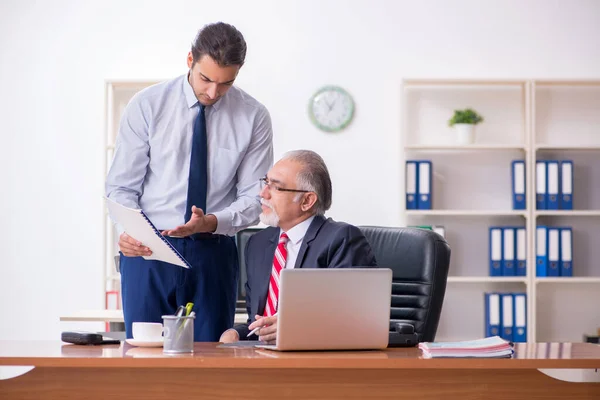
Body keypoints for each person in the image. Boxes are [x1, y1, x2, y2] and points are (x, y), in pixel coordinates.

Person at [105, 22, 273, 341]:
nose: (212, 92)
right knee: (145, 356)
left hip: (213, 250)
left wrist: (210, 221)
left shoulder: (253, 116)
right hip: (149, 249)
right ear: (189, 61)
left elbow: (255, 198)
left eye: (225, 83)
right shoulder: (147, 105)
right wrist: (126, 231)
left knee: (212, 360)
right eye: (206, 79)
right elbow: (122, 186)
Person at [219, 150, 377, 344]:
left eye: (275, 188)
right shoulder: (258, 243)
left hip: (314, 361)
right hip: (264, 358)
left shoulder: (342, 239)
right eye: (265, 182)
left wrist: (292, 327)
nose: (263, 194)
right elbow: (260, 321)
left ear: (307, 201)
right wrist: (238, 333)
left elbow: (352, 319)